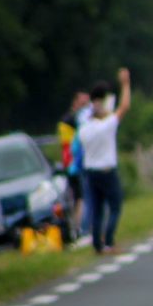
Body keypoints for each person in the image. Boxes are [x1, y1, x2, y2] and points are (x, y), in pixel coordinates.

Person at [78, 68, 131, 255]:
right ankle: (108, 241)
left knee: (97, 209)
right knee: (115, 206)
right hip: (107, 170)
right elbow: (124, 107)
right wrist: (125, 83)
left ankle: (97, 245)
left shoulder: (84, 129)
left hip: (90, 171)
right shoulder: (106, 126)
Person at [58, 91, 90, 235]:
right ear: (75, 102)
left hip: (78, 164)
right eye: (84, 104)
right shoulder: (70, 121)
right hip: (74, 165)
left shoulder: (77, 119)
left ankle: (80, 227)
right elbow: (69, 146)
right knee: (80, 198)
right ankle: (80, 228)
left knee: (79, 198)